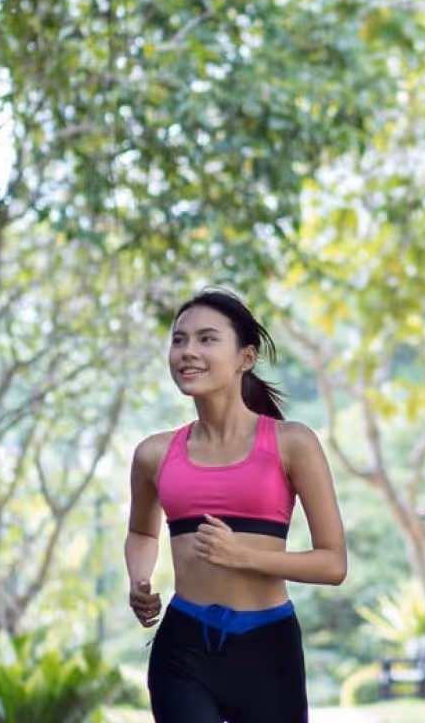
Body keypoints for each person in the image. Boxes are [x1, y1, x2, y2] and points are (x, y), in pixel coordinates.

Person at [125, 287, 347, 723]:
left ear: (246, 357)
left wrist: (241, 555)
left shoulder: (292, 443)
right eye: (179, 340)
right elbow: (142, 532)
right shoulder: (153, 454)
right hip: (183, 647)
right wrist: (139, 577)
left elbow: (333, 564)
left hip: (268, 649)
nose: (188, 352)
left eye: (207, 339)